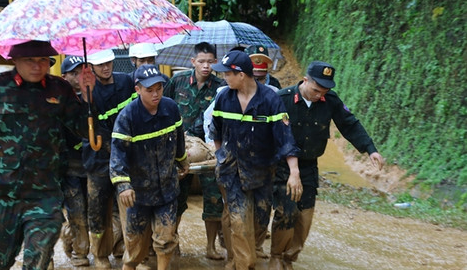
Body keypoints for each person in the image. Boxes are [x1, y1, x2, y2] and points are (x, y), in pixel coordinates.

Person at [0, 40, 97, 270]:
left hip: (45, 194)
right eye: (30, 60)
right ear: (14, 60)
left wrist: (88, 96)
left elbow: (83, 130)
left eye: (43, 60)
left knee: (38, 258)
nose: (37, 66)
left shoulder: (59, 89)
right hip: (3, 192)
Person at [270, 61, 385, 270]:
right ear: (305, 80)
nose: (319, 95)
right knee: (286, 212)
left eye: (324, 91)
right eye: (316, 90)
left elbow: (349, 124)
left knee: (305, 217)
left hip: (309, 166)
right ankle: (276, 257)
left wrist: (371, 149)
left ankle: (289, 258)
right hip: (283, 166)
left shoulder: (329, 100)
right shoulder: (282, 99)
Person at [209, 50, 301, 270]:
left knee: (259, 222)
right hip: (232, 172)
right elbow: (217, 131)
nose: (224, 78)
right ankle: (243, 264)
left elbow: (285, 137)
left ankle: (241, 258)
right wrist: (221, 156)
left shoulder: (270, 99)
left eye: (227, 74)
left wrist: (294, 172)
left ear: (241, 74)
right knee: (239, 223)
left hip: (262, 172)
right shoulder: (224, 97)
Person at [110, 64, 190, 270]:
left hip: (167, 186)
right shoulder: (127, 117)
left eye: (159, 88)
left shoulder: (170, 108)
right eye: (149, 90)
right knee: (135, 242)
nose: (156, 94)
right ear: (137, 89)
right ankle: (130, 266)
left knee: (166, 237)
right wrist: (123, 185)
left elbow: (179, 138)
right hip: (138, 191)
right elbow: (117, 154)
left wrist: (183, 160)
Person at [163, 42, 224, 260]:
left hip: (207, 149)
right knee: (176, 196)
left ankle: (210, 246)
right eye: (201, 61)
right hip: (179, 148)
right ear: (193, 62)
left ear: (215, 61)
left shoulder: (220, 87)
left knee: (214, 198)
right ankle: (173, 240)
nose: (206, 66)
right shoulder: (177, 81)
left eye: (210, 61)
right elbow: (164, 106)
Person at [84, 48, 135, 268]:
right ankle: (99, 253)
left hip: (126, 155)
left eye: (109, 63)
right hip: (99, 160)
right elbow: (94, 129)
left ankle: (128, 251)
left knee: (130, 204)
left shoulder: (126, 82)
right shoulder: (89, 92)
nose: (106, 68)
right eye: (100, 64)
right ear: (92, 67)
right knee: (98, 207)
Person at [59, 55, 91, 267]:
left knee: (93, 211)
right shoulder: (57, 102)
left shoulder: (91, 98)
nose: (79, 76)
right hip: (69, 168)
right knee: (77, 211)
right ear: (64, 77)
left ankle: (72, 239)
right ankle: (80, 252)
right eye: (74, 73)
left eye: (82, 71)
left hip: (93, 166)